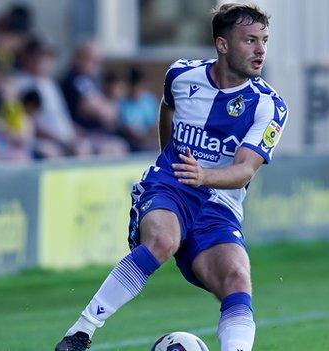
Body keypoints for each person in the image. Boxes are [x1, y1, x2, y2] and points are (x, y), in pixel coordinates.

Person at [55, 4, 287, 351]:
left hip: (220, 204)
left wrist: (204, 174)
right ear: (223, 45)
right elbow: (168, 107)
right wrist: (168, 162)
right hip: (172, 184)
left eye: (264, 41)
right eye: (250, 40)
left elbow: (244, 170)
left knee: (237, 279)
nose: (260, 50)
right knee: (162, 242)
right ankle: (81, 331)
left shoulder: (269, 105)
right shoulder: (181, 75)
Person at [119, 67, 159, 151]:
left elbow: (155, 125)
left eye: (139, 86)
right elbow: (126, 128)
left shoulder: (149, 100)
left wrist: (147, 138)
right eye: (133, 86)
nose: (136, 89)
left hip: (148, 140)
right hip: (129, 141)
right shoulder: (122, 102)